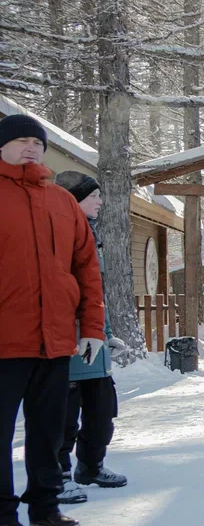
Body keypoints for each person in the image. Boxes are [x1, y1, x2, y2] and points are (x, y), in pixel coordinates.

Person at [0, 114, 105, 526]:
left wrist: (93, 328)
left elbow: (86, 269)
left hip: (54, 339)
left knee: (48, 428)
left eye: (37, 142)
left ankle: (45, 506)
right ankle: (4, 516)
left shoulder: (62, 203)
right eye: (20, 140)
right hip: (5, 340)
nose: (30, 147)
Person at [53, 171, 127, 505]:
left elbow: (94, 294)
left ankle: (90, 466)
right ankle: (60, 475)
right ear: (73, 200)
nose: (100, 202)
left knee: (102, 410)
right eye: (93, 196)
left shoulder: (89, 234)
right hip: (66, 341)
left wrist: (106, 333)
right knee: (64, 414)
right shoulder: (56, 235)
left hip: (94, 341)